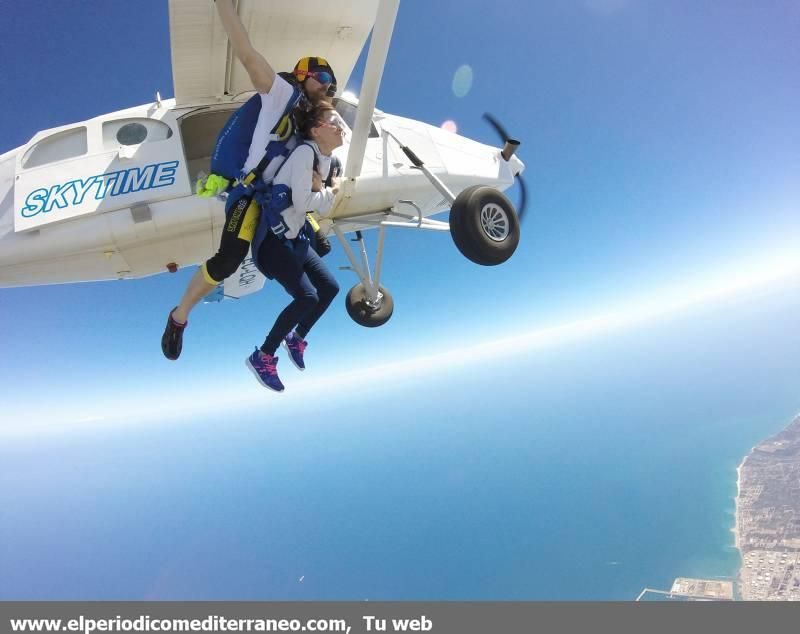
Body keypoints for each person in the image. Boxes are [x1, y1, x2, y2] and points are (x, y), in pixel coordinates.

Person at [161, 0, 337, 361]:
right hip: (249, 195)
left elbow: (307, 179)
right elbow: (245, 52)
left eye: (331, 85)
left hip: (279, 202)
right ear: (302, 75)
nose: (328, 87)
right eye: (322, 79)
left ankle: (292, 336)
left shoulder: (310, 131)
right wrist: (224, 7)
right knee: (229, 259)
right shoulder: (281, 96)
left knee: (317, 257)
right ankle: (179, 318)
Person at [245, 103, 345, 392]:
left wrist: (323, 189)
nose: (340, 126)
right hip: (273, 243)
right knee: (308, 298)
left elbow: (312, 202)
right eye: (333, 121)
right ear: (315, 130)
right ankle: (263, 356)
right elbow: (306, 204)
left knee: (330, 289)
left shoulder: (324, 160)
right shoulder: (305, 153)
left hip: (293, 239)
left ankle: (296, 337)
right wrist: (331, 191)